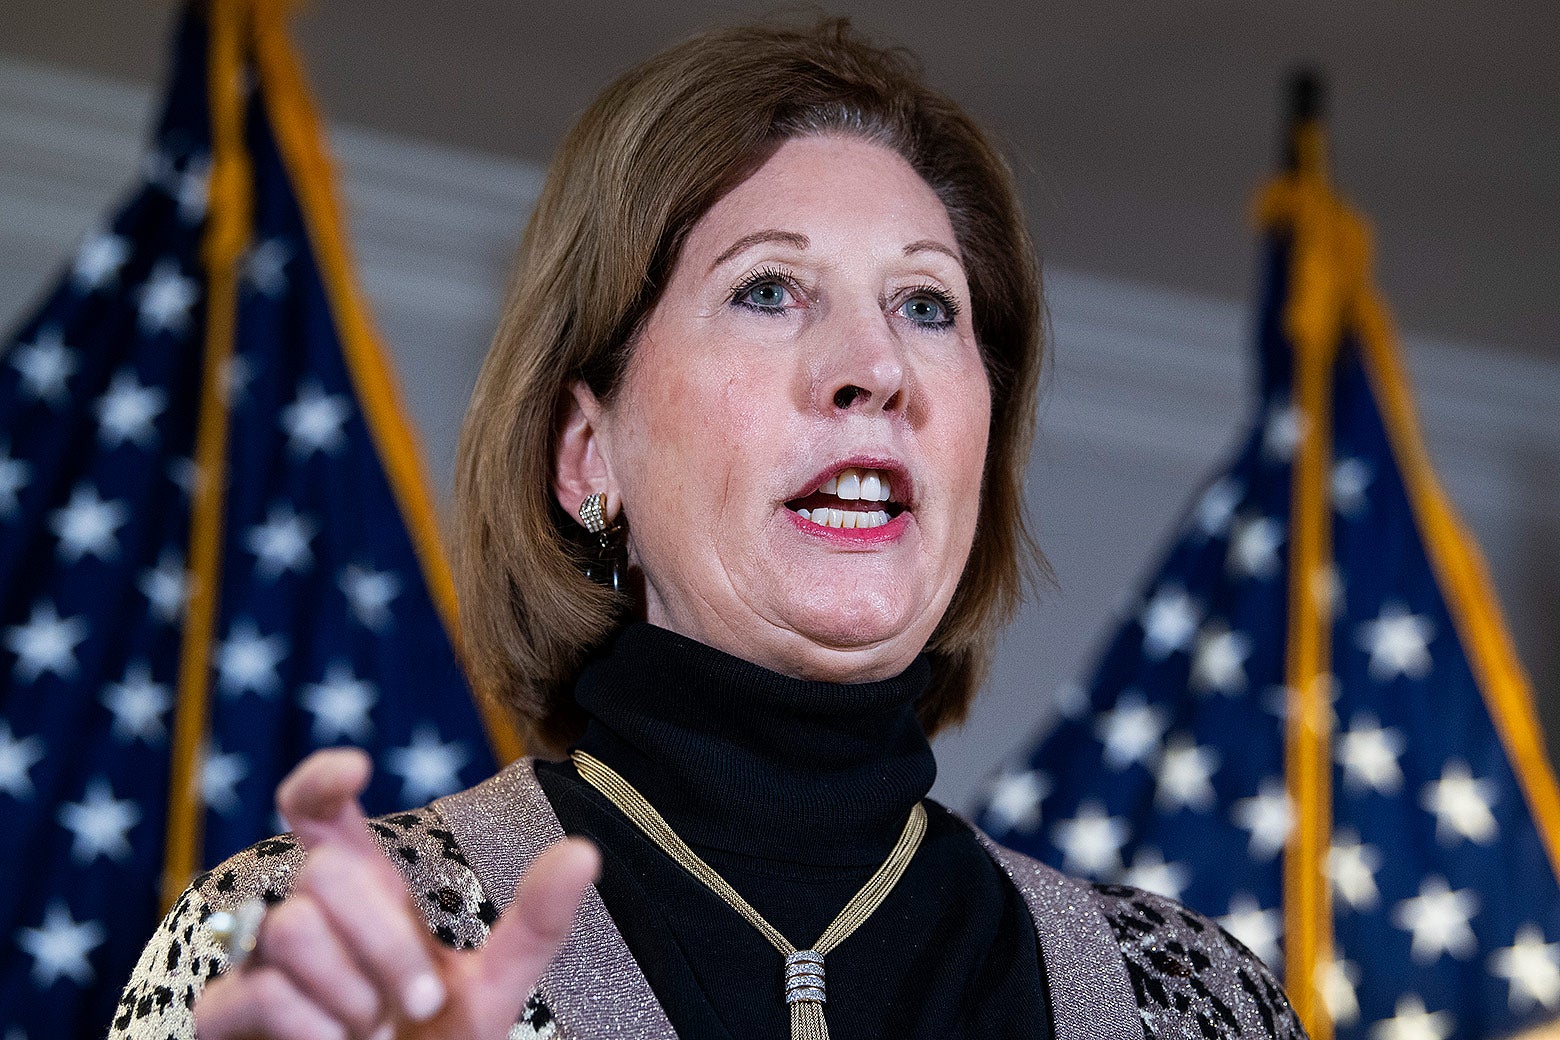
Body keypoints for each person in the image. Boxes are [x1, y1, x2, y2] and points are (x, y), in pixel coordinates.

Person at [112, 19, 1306, 1040]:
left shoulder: (1195, 1002)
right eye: (769, 290)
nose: (876, 366)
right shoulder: (306, 948)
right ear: (591, 452)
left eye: (927, 304)